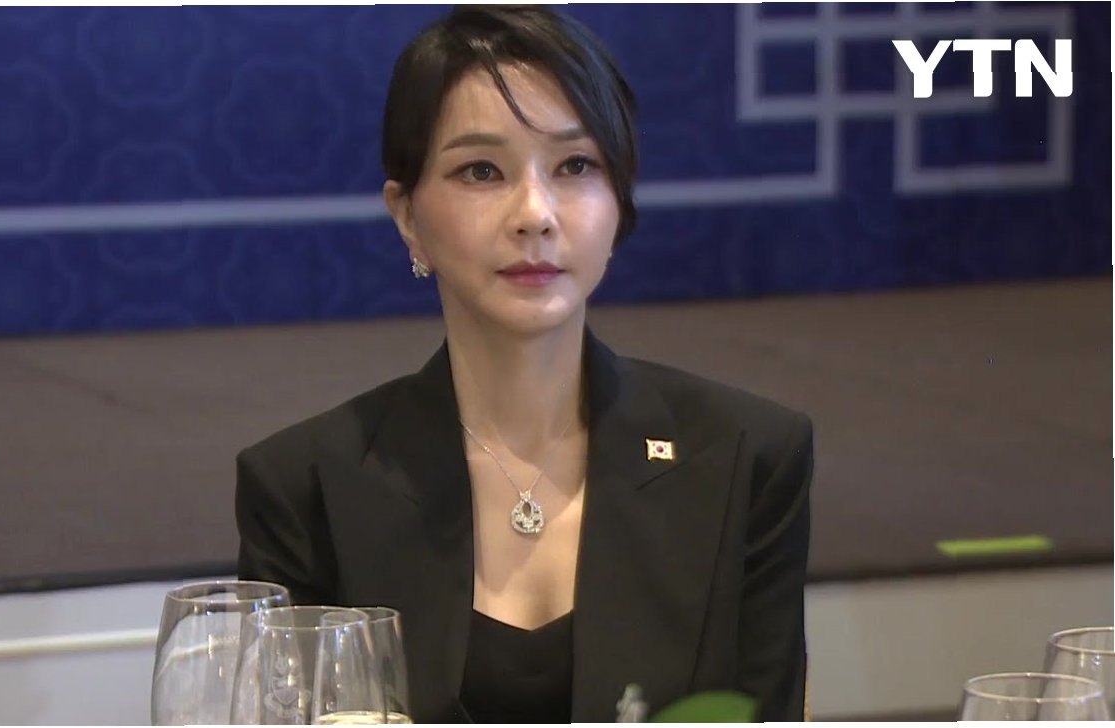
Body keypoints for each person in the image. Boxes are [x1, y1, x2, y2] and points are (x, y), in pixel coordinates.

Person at [236, 6, 813, 723]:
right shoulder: (305, 486)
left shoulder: (745, 459)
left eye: (575, 166)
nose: (535, 213)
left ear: (619, 201)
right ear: (408, 215)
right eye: (481, 170)